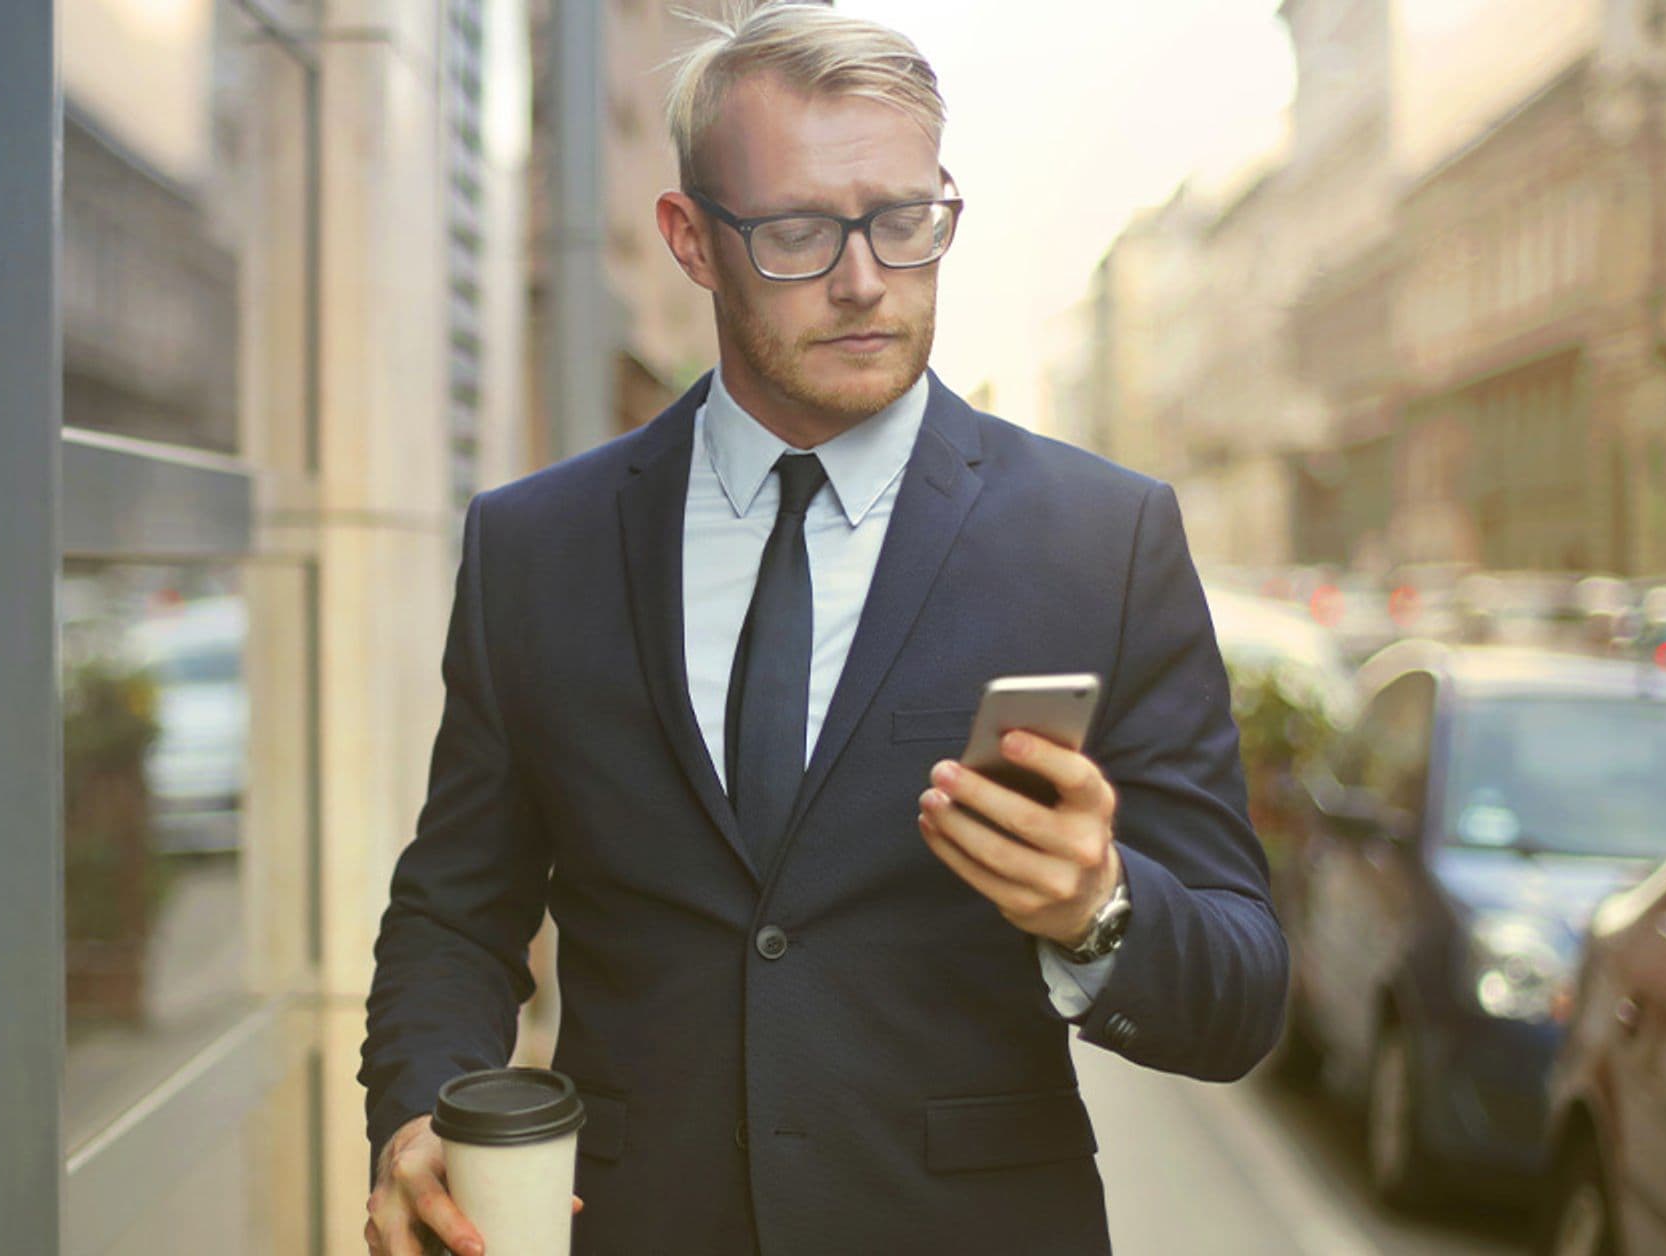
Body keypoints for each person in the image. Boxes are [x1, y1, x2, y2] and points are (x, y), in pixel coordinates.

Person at [359, 4, 1287, 1252]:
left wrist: (1100, 908)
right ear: (691, 239)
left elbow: (1243, 993)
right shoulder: (538, 545)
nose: (865, 280)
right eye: (799, 232)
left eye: (905, 222)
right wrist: (420, 1113)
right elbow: (455, 913)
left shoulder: (1103, 539)